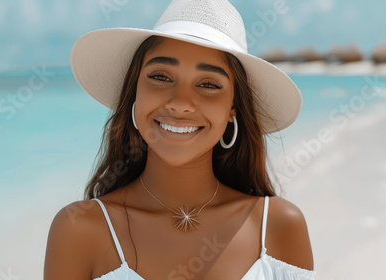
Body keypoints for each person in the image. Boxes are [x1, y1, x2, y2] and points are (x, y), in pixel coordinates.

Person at [44, 0, 315, 279]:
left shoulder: (278, 226)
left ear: (233, 109)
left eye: (208, 84)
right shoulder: (79, 229)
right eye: (161, 77)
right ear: (135, 92)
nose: (180, 103)